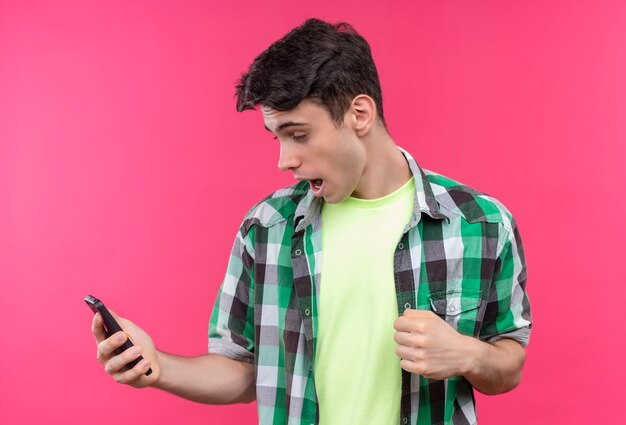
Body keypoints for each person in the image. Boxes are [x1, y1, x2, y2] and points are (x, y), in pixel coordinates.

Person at [92, 18, 531, 425]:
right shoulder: (265, 229)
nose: (285, 160)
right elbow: (244, 369)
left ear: (360, 114)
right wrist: (158, 366)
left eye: (299, 135)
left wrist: (469, 355)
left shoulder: (480, 223)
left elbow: (508, 363)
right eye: (277, 136)